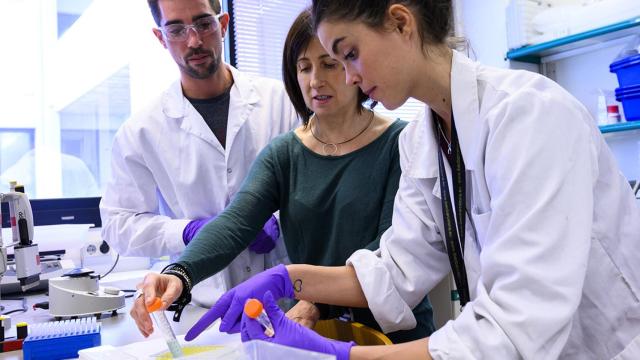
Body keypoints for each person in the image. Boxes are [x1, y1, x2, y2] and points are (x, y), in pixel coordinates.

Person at [186, 1, 640, 359]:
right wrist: (289, 279)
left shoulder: (528, 116)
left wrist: (342, 354)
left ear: (401, 23)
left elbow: (515, 324)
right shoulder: (424, 140)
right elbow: (396, 268)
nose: (347, 77)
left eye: (348, 54)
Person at [130, 9, 436, 343]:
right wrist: (180, 273)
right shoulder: (284, 154)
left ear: (352, 66)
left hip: (394, 333)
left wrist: (314, 299)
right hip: (309, 331)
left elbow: (390, 251)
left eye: (329, 64)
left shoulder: (401, 143)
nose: (315, 80)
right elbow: (235, 223)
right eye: (304, 67)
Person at [99, 0, 298, 328]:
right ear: (160, 37)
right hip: (204, 305)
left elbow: (314, 187)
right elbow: (119, 224)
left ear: (223, 24)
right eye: (176, 29)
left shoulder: (282, 102)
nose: (193, 41)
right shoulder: (141, 131)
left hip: (287, 299)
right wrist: (189, 231)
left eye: (204, 24)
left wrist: (278, 221)